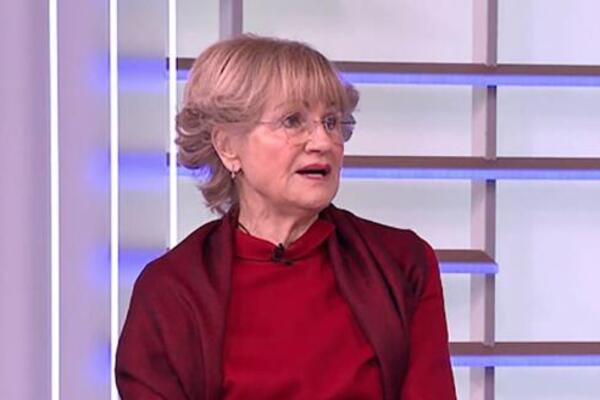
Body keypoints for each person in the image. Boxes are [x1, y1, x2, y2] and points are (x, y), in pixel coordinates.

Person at [116, 35, 457, 400]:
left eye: (331, 121)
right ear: (228, 146)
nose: (322, 142)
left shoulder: (402, 262)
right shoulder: (171, 290)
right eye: (293, 120)